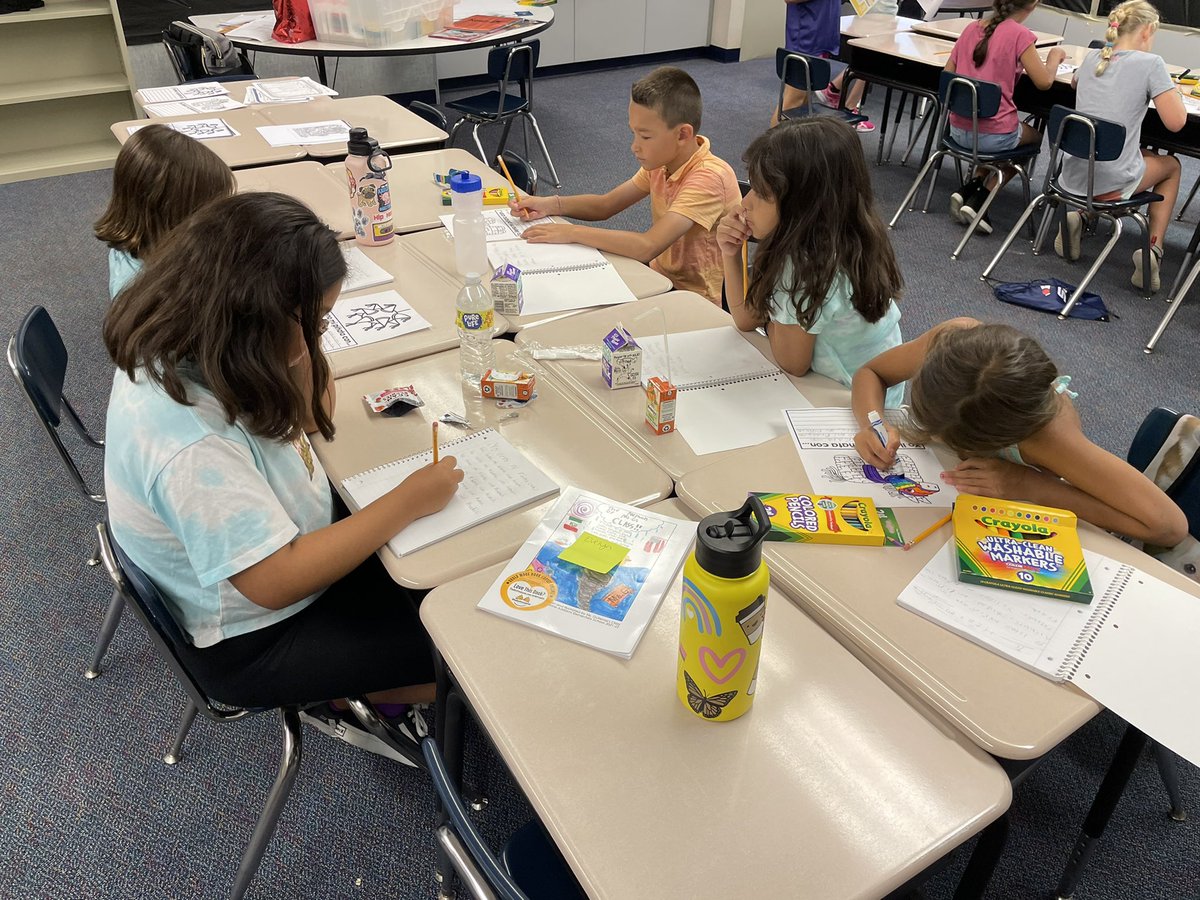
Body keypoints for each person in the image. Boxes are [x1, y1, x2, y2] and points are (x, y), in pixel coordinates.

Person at [102, 192, 465, 763]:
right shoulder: (188, 442)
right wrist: (405, 501)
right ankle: (357, 697)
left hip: (288, 544)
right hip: (259, 634)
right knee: (464, 646)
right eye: (315, 323)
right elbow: (273, 581)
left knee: (444, 568)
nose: (317, 339)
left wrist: (302, 344)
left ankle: (377, 682)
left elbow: (310, 415)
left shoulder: (207, 350)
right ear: (251, 322)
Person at [851, 319, 1188, 546]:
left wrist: (1028, 484)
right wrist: (872, 424)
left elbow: (1169, 525)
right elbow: (872, 372)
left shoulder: (1051, 438)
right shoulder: (952, 345)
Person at [508, 66, 741, 305]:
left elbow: (648, 246)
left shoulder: (709, 178)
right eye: (634, 134)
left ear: (682, 134)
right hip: (658, 278)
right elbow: (606, 205)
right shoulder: (663, 163)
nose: (634, 146)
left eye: (645, 136)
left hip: (695, 300)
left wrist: (571, 232)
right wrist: (551, 204)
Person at [716, 118, 905, 405]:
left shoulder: (808, 266)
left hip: (851, 407)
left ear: (803, 206)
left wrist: (770, 318)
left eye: (762, 194)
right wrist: (731, 253)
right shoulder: (847, 235)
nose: (745, 203)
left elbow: (792, 362)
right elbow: (745, 318)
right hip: (870, 397)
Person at [1056, 0, 1185, 292]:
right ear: (1147, 30)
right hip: (1111, 182)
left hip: (1073, 176)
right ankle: (1153, 250)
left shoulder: (1092, 57)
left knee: (1143, 155)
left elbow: (1075, 84)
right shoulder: (1152, 64)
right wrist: (1171, 91)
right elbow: (1176, 123)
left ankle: (1081, 215)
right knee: (1172, 166)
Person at [944, 0, 1066, 233]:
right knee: (1035, 139)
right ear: (1034, 4)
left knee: (1000, 135)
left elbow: (947, 75)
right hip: (993, 136)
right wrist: (1054, 57)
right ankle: (983, 197)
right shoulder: (1020, 35)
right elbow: (1044, 82)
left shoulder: (971, 28)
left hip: (957, 131)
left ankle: (973, 185)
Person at [93, 124, 235, 299]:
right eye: (210, 207)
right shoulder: (142, 292)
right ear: (176, 216)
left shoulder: (145, 234)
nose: (218, 215)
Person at [776, 0, 875, 132]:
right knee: (792, 104)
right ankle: (773, 144)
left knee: (803, 107)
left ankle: (794, 144)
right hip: (805, 39)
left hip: (819, 36)